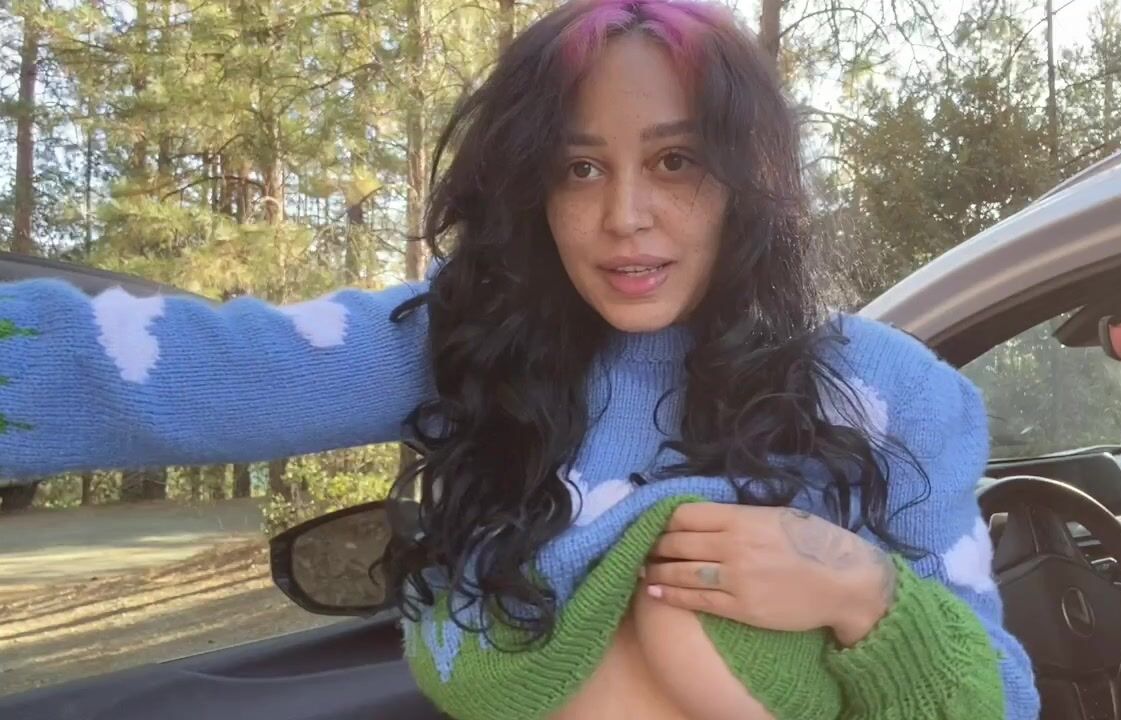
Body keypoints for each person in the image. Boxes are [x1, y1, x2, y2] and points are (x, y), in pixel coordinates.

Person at [0, 0, 1039, 717]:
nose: (624, 215)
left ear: (749, 180)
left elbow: (998, 698)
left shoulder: (895, 394)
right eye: (579, 168)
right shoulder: (468, 343)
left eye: (675, 160)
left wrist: (860, 590)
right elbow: (167, 374)